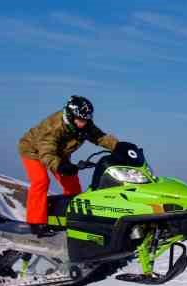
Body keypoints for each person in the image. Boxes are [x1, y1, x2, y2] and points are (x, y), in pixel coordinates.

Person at [17, 95, 119, 229]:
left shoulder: (85, 125)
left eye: (86, 119)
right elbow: (46, 152)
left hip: (60, 153)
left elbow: (100, 137)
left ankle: (70, 218)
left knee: (72, 185)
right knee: (41, 181)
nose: (83, 123)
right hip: (33, 151)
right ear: (70, 116)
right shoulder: (54, 126)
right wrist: (59, 166)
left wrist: (120, 147)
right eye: (80, 119)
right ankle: (35, 223)